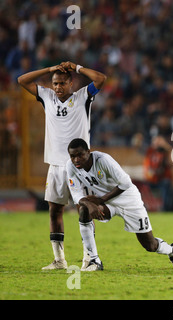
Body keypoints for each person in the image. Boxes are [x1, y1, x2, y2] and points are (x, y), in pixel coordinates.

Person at [17, 61, 106, 270]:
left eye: (62, 83)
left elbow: (101, 79)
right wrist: (49, 70)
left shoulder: (83, 97)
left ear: (71, 83)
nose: (58, 87)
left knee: (84, 209)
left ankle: (90, 258)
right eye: (55, 83)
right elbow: (22, 80)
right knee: (54, 211)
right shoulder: (46, 97)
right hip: (56, 166)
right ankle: (59, 260)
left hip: (79, 166)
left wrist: (76, 67)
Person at [66, 138, 173, 271]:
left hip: (128, 200)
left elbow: (126, 183)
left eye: (80, 155)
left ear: (88, 152)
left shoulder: (103, 160)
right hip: (107, 203)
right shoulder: (70, 166)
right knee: (84, 210)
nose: (76, 159)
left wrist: (101, 200)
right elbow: (76, 194)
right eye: (73, 156)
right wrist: (89, 204)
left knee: (150, 245)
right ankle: (94, 260)